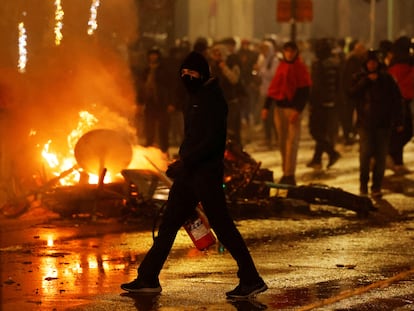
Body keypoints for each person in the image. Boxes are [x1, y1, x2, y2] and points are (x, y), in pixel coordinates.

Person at [121, 51, 268, 299]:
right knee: (168, 224)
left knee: (223, 226)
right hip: (189, 174)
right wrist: (181, 162)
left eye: (192, 72)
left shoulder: (214, 99)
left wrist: (185, 161)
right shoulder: (194, 97)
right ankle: (148, 277)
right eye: (184, 73)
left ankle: (251, 279)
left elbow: (212, 141)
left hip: (206, 174)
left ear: (203, 73)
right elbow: (192, 137)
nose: (187, 76)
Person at [349, 50, 403, 198]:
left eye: (374, 62)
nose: (372, 65)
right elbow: (351, 94)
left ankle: (376, 186)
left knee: (380, 157)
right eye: (369, 62)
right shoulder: (359, 78)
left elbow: (396, 101)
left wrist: (399, 120)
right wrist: (366, 81)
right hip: (365, 124)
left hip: (383, 124)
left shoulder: (387, 79)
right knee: (365, 155)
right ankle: (363, 185)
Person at [261, 41, 311, 185]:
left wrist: (298, 110)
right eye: (286, 50)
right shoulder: (281, 66)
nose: (289, 53)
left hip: (292, 110)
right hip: (279, 109)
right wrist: (266, 107)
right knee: (282, 142)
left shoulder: (300, 68)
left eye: (291, 50)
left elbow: (305, 91)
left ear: (296, 52)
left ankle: (290, 174)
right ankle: (285, 172)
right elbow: (274, 88)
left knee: (292, 143)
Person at [307, 38, 341, 170]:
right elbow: (338, 84)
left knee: (315, 131)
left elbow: (316, 86)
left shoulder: (318, 64)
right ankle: (317, 159)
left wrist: (311, 103)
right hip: (330, 103)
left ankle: (332, 153)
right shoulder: (334, 63)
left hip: (319, 104)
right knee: (322, 131)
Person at [136, 47, 174, 154]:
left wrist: (171, 103)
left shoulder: (164, 70)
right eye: (151, 54)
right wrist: (139, 103)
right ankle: (149, 151)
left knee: (163, 130)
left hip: (162, 103)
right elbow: (141, 88)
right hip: (150, 103)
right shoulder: (146, 70)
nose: (153, 57)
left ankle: (164, 151)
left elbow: (171, 87)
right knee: (149, 129)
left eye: (155, 54)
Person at [387, 36, 414, 175]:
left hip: (404, 99)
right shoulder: (403, 62)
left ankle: (398, 161)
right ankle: (390, 154)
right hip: (400, 100)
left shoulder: (398, 61)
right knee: (404, 131)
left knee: (403, 132)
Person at [341, 41, 367, 145]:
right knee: (350, 114)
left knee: (353, 114)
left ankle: (353, 133)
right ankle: (350, 134)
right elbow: (348, 78)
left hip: (355, 92)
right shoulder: (353, 61)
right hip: (352, 92)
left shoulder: (357, 60)